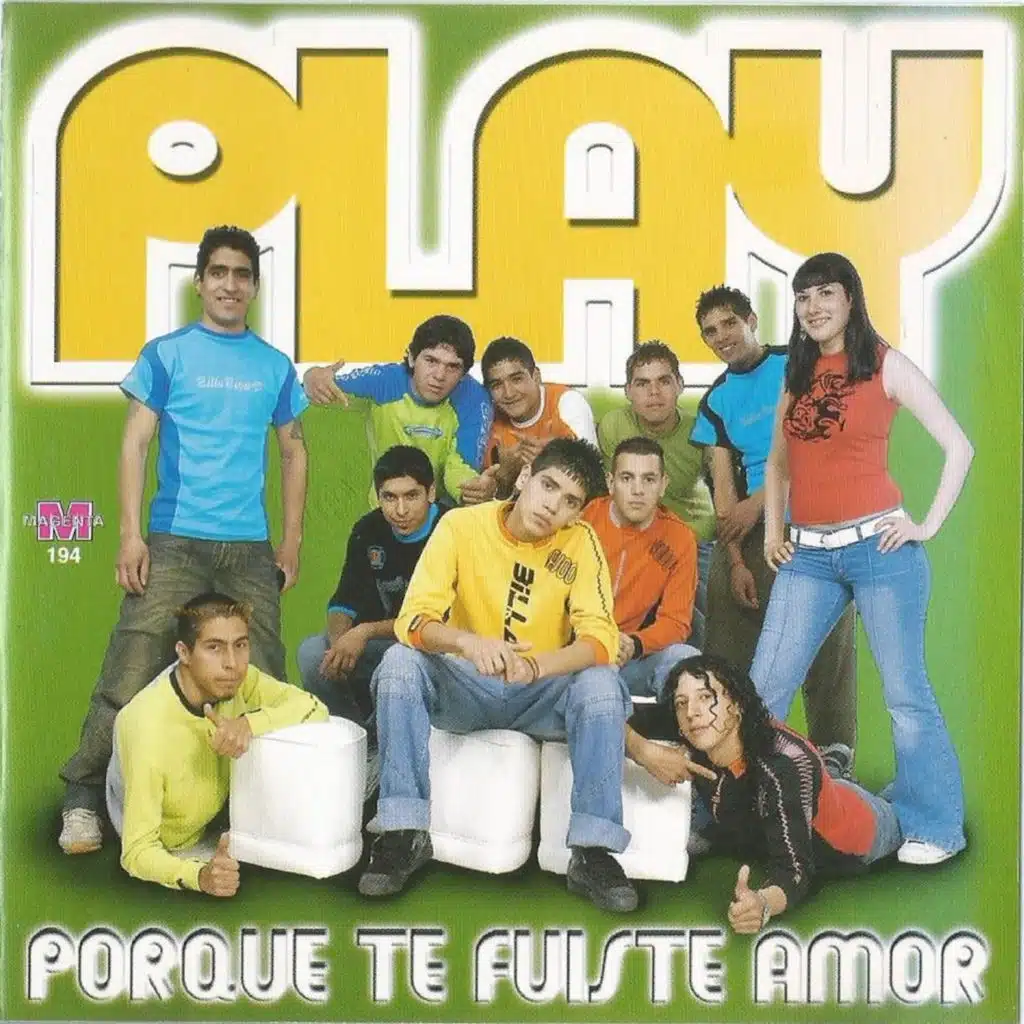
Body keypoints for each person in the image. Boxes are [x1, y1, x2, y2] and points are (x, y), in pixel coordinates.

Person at [59, 225, 310, 856]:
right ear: (200, 282)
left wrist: (291, 541)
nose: (230, 284)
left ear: (254, 287)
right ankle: (82, 798)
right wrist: (130, 535)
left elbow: (294, 453)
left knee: (262, 676)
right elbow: (135, 443)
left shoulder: (274, 366)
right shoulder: (166, 355)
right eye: (218, 272)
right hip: (174, 539)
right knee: (132, 665)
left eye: (242, 274)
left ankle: (263, 815)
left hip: (249, 547)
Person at [753, 252, 973, 866]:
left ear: (851, 298)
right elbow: (777, 464)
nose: (813, 307)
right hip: (808, 556)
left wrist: (925, 524)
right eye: (803, 297)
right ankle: (751, 811)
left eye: (826, 293)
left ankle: (935, 825)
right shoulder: (797, 372)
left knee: (904, 695)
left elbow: (959, 446)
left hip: (879, 548)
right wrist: (774, 531)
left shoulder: (885, 363)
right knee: (762, 689)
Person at [358, 438, 638, 912]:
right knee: (400, 663)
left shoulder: (581, 542)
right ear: (525, 477)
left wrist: (538, 665)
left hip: (537, 692)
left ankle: (593, 853)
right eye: (548, 486)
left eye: (570, 501)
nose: (553, 506)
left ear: (578, 513)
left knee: (601, 683)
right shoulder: (461, 525)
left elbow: (600, 640)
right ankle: (404, 833)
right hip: (466, 684)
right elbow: (413, 621)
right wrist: (468, 643)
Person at [690, 285, 856, 757]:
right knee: (724, 614)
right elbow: (725, 496)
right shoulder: (716, 401)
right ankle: (729, 750)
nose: (722, 336)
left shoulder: (799, 363)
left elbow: (825, 446)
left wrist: (761, 502)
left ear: (751, 320)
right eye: (710, 332)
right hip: (756, 527)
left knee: (828, 629)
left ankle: (834, 751)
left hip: (816, 510)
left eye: (729, 323)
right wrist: (736, 561)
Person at [627, 655, 902, 932]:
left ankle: (840, 772)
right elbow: (611, 716)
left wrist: (763, 903)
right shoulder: (697, 724)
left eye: (706, 697)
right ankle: (831, 767)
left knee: (901, 814)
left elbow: (794, 870)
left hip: (854, 835)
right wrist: (642, 750)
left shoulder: (783, 766)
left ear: (736, 705)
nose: (692, 712)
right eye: (681, 702)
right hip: (763, 817)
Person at [105, 592, 328, 894]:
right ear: (184, 653)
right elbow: (137, 852)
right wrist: (199, 876)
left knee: (304, 739)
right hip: (176, 844)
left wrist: (249, 724)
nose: (232, 664)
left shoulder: (238, 679)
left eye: (241, 645)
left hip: (222, 815)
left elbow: (314, 707)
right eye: (214, 648)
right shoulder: (146, 726)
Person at [297, 446, 446, 723]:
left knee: (400, 660)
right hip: (380, 644)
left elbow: (441, 620)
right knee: (312, 654)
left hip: (435, 650)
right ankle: (355, 734)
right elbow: (343, 602)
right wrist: (339, 645)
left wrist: (365, 632)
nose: (400, 510)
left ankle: (393, 733)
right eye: (389, 497)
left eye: (411, 496)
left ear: (431, 492)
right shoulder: (368, 529)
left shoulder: (451, 528)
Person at [302, 314, 496, 506]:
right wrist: (311, 378)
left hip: (441, 508)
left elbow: (460, 464)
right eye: (431, 361)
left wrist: (470, 490)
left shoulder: (475, 399)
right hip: (385, 507)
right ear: (412, 358)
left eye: (452, 367)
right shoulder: (384, 381)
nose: (439, 375)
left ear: (463, 374)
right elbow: (320, 388)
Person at [597, 342, 716, 648]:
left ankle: (695, 669)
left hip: (692, 534)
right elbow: (614, 496)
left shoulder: (700, 431)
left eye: (664, 381)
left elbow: (723, 493)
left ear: (680, 385)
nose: (654, 393)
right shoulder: (614, 425)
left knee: (700, 611)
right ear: (628, 391)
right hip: (634, 531)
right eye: (642, 384)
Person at [582, 436, 699, 699]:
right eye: (627, 478)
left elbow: (676, 622)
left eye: (649, 479)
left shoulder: (679, 538)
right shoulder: (584, 518)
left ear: (663, 485)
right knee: (597, 680)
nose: (638, 490)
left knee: (687, 660)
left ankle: (673, 724)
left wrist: (635, 644)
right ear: (610, 483)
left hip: (627, 657)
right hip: (572, 652)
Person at [480, 336, 597, 496]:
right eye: (497, 385)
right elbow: (494, 498)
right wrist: (504, 476)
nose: (509, 393)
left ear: (536, 376)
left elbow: (595, 477)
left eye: (517, 379)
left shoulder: (567, 401)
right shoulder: (489, 418)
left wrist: (553, 458)